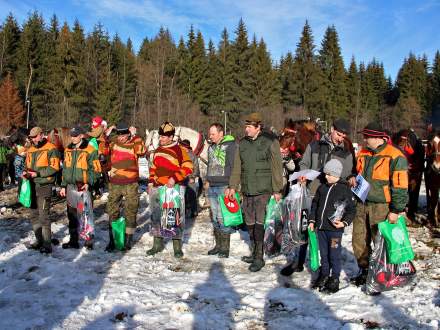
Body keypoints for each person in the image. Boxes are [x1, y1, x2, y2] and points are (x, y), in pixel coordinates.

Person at [281, 118, 356, 276]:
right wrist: (302, 175)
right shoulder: (314, 145)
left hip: (331, 199)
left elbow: (348, 173)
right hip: (312, 192)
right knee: (304, 228)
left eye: (343, 136)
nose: (340, 138)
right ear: (331, 129)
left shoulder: (347, 152)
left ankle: (325, 268)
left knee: (326, 234)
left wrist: (347, 180)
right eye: (338, 134)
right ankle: (298, 262)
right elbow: (304, 164)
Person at [350, 122, 408, 287]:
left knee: (380, 242)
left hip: (382, 206)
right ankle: (365, 270)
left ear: (377, 138)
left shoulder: (396, 156)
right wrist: (353, 177)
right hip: (361, 203)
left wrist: (396, 210)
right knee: (359, 239)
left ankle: (383, 273)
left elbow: (400, 186)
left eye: (367, 136)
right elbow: (356, 172)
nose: (364, 139)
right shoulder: (363, 152)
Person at [226, 112, 283, 272]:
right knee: (249, 224)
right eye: (246, 126)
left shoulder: (270, 141)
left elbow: (277, 167)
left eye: (249, 126)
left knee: (259, 224)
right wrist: (232, 186)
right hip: (247, 189)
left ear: (258, 127)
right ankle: (254, 251)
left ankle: (259, 256)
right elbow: (237, 167)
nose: (246, 129)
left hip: (264, 190)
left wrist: (277, 189)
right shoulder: (242, 143)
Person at [308, 159, 356, 293]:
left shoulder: (344, 189)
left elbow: (351, 210)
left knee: (333, 254)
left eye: (329, 174)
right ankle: (324, 274)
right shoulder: (322, 188)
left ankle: (335, 278)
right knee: (323, 253)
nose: (326, 176)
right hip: (321, 229)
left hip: (335, 231)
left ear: (337, 175)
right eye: (325, 174)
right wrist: (312, 221)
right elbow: (315, 205)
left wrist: (344, 222)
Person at [147, 122, 193, 258]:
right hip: (157, 187)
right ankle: (157, 243)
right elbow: (153, 167)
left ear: (171, 136)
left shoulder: (180, 150)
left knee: (174, 216)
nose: (161, 139)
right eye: (160, 136)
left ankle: (177, 247)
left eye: (164, 137)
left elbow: (188, 167)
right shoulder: (157, 150)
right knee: (156, 215)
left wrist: (174, 178)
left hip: (173, 187)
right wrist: (150, 181)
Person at [105, 123, 147, 252]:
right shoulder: (113, 142)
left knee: (131, 210)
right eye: (119, 135)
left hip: (130, 183)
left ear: (128, 134)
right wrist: (106, 134)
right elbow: (102, 149)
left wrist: (135, 135)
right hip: (115, 183)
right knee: (112, 211)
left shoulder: (136, 141)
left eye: (123, 135)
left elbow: (142, 151)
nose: (121, 138)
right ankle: (113, 240)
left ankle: (128, 241)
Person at [59, 126, 101, 249]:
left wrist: (89, 182)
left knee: (85, 213)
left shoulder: (90, 150)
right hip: (70, 187)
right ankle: (73, 240)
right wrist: (63, 186)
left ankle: (88, 240)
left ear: (81, 135)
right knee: (71, 215)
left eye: (75, 135)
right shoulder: (68, 150)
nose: (73, 138)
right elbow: (65, 170)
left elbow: (96, 170)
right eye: (71, 136)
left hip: (83, 187)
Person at [23, 127, 61, 253]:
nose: (33, 140)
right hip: (31, 186)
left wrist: (37, 174)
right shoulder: (30, 150)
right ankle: (39, 240)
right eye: (31, 137)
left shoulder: (51, 148)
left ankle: (47, 244)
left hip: (45, 186)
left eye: (35, 137)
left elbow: (55, 167)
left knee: (44, 216)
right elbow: (27, 166)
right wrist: (25, 173)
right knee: (33, 215)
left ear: (42, 135)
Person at [206, 123, 236, 258]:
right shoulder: (211, 147)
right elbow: (210, 165)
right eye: (210, 134)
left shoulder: (231, 146)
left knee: (222, 217)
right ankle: (218, 245)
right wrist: (207, 179)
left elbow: (233, 166)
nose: (210, 136)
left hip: (224, 186)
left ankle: (225, 248)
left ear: (221, 133)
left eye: (213, 134)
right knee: (214, 217)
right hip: (212, 185)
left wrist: (232, 186)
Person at [180, 139, 201, 218]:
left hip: (190, 178)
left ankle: (194, 211)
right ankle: (183, 211)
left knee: (192, 195)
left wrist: (193, 177)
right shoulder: (180, 154)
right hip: (181, 178)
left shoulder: (192, 155)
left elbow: (196, 168)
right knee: (182, 196)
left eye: (182, 146)